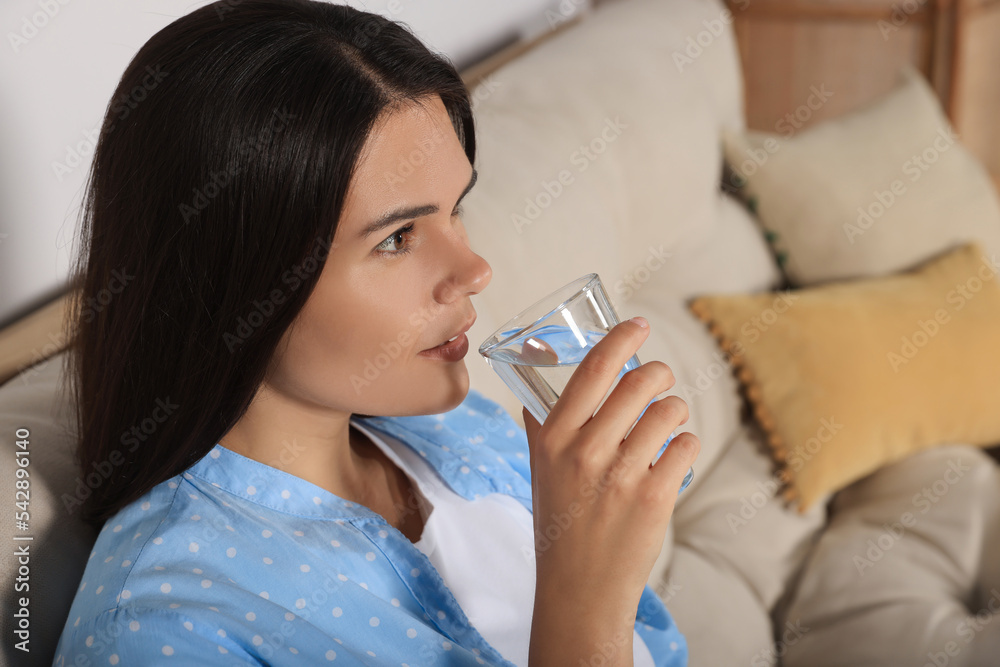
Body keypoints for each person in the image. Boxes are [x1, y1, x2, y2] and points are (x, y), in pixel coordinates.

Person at [53, 1, 701, 665]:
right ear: (234, 279)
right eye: (399, 236)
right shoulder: (162, 629)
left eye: (456, 210)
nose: (475, 270)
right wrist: (584, 603)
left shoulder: (459, 432)